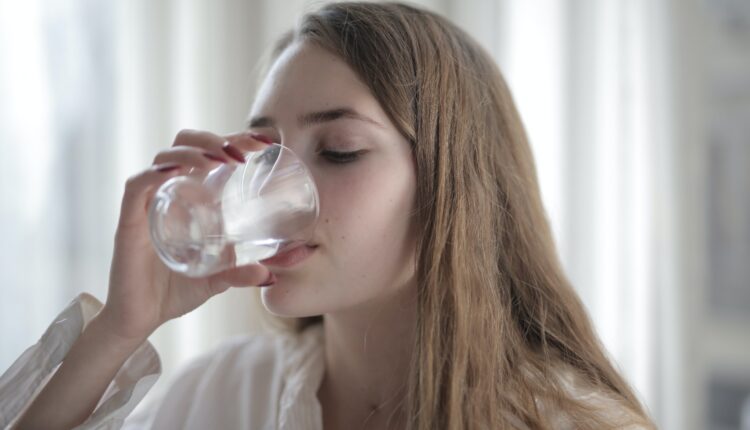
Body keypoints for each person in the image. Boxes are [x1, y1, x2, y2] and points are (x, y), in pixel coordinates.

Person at [1, 2, 655, 429]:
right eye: (263, 153)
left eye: (338, 151)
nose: (277, 193)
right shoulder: (226, 395)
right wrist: (119, 327)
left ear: (451, 186)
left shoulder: (571, 423)